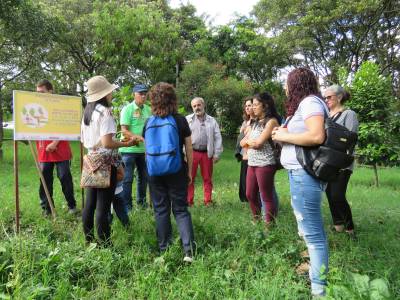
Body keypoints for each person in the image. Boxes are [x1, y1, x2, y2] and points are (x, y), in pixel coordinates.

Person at [272, 68, 329, 297]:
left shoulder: (310, 103)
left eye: (287, 84)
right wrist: (284, 131)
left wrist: (284, 136)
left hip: (305, 175)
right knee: (308, 229)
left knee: (313, 233)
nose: (285, 89)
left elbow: (317, 136)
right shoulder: (305, 105)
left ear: (296, 84)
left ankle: (319, 288)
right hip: (299, 173)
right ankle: (314, 270)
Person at [81, 75, 142, 245]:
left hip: (90, 160)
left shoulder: (87, 113)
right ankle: (105, 243)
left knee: (90, 203)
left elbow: (84, 140)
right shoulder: (105, 112)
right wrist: (124, 143)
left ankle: (89, 240)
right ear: (103, 94)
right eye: (110, 92)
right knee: (103, 205)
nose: (111, 94)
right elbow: (108, 143)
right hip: (106, 163)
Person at [144, 82, 195, 262]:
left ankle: (164, 249)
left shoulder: (148, 122)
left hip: (154, 172)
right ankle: (188, 251)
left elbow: (147, 149)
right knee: (180, 209)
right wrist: (189, 171)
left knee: (160, 209)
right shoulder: (180, 120)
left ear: (153, 101)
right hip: (176, 169)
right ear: (173, 99)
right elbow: (189, 149)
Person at [35, 80, 77, 216]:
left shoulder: (60, 106)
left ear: (50, 91)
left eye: (42, 92)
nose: (39, 95)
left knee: (65, 177)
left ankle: (72, 206)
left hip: (61, 149)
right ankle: (47, 208)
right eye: (37, 93)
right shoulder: (36, 107)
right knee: (44, 179)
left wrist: (55, 142)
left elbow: (67, 125)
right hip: (43, 150)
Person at [240, 92, 280, 225]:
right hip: (252, 163)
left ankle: (269, 226)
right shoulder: (256, 123)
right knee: (250, 194)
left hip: (265, 164)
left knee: (266, 196)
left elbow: (258, 144)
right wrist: (251, 142)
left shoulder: (271, 121)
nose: (253, 107)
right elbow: (242, 143)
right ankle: (256, 220)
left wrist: (251, 142)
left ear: (265, 105)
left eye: (256, 104)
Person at [324, 85, 359, 235]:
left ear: (339, 97)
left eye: (329, 97)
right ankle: (338, 224)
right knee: (329, 193)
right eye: (325, 97)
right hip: (328, 161)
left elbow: (351, 137)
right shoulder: (326, 115)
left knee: (337, 195)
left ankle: (350, 228)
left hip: (342, 162)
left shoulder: (349, 114)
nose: (326, 100)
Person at [119, 84, 152, 210]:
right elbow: (124, 130)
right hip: (128, 149)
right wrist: (140, 138)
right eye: (141, 94)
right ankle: (127, 206)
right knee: (127, 179)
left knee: (143, 178)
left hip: (144, 150)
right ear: (134, 95)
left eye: (145, 94)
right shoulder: (127, 109)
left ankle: (141, 203)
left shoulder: (148, 110)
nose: (143, 96)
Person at [186, 97, 223, 206]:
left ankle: (208, 201)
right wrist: (183, 153)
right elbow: (182, 137)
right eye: (194, 106)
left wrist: (217, 154)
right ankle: (189, 201)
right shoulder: (187, 119)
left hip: (207, 153)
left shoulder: (212, 120)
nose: (197, 108)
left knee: (207, 178)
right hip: (192, 152)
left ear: (203, 105)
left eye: (199, 105)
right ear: (192, 108)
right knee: (189, 177)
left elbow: (218, 137)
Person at [235, 97, 254, 202]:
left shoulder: (256, 121)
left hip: (252, 153)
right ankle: (245, 198)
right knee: (244, 176)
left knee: (250, 177)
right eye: (246, 106)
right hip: (244, 153)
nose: (247, 108)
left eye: (249, 105)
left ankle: (252, 197)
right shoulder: (245, 122)